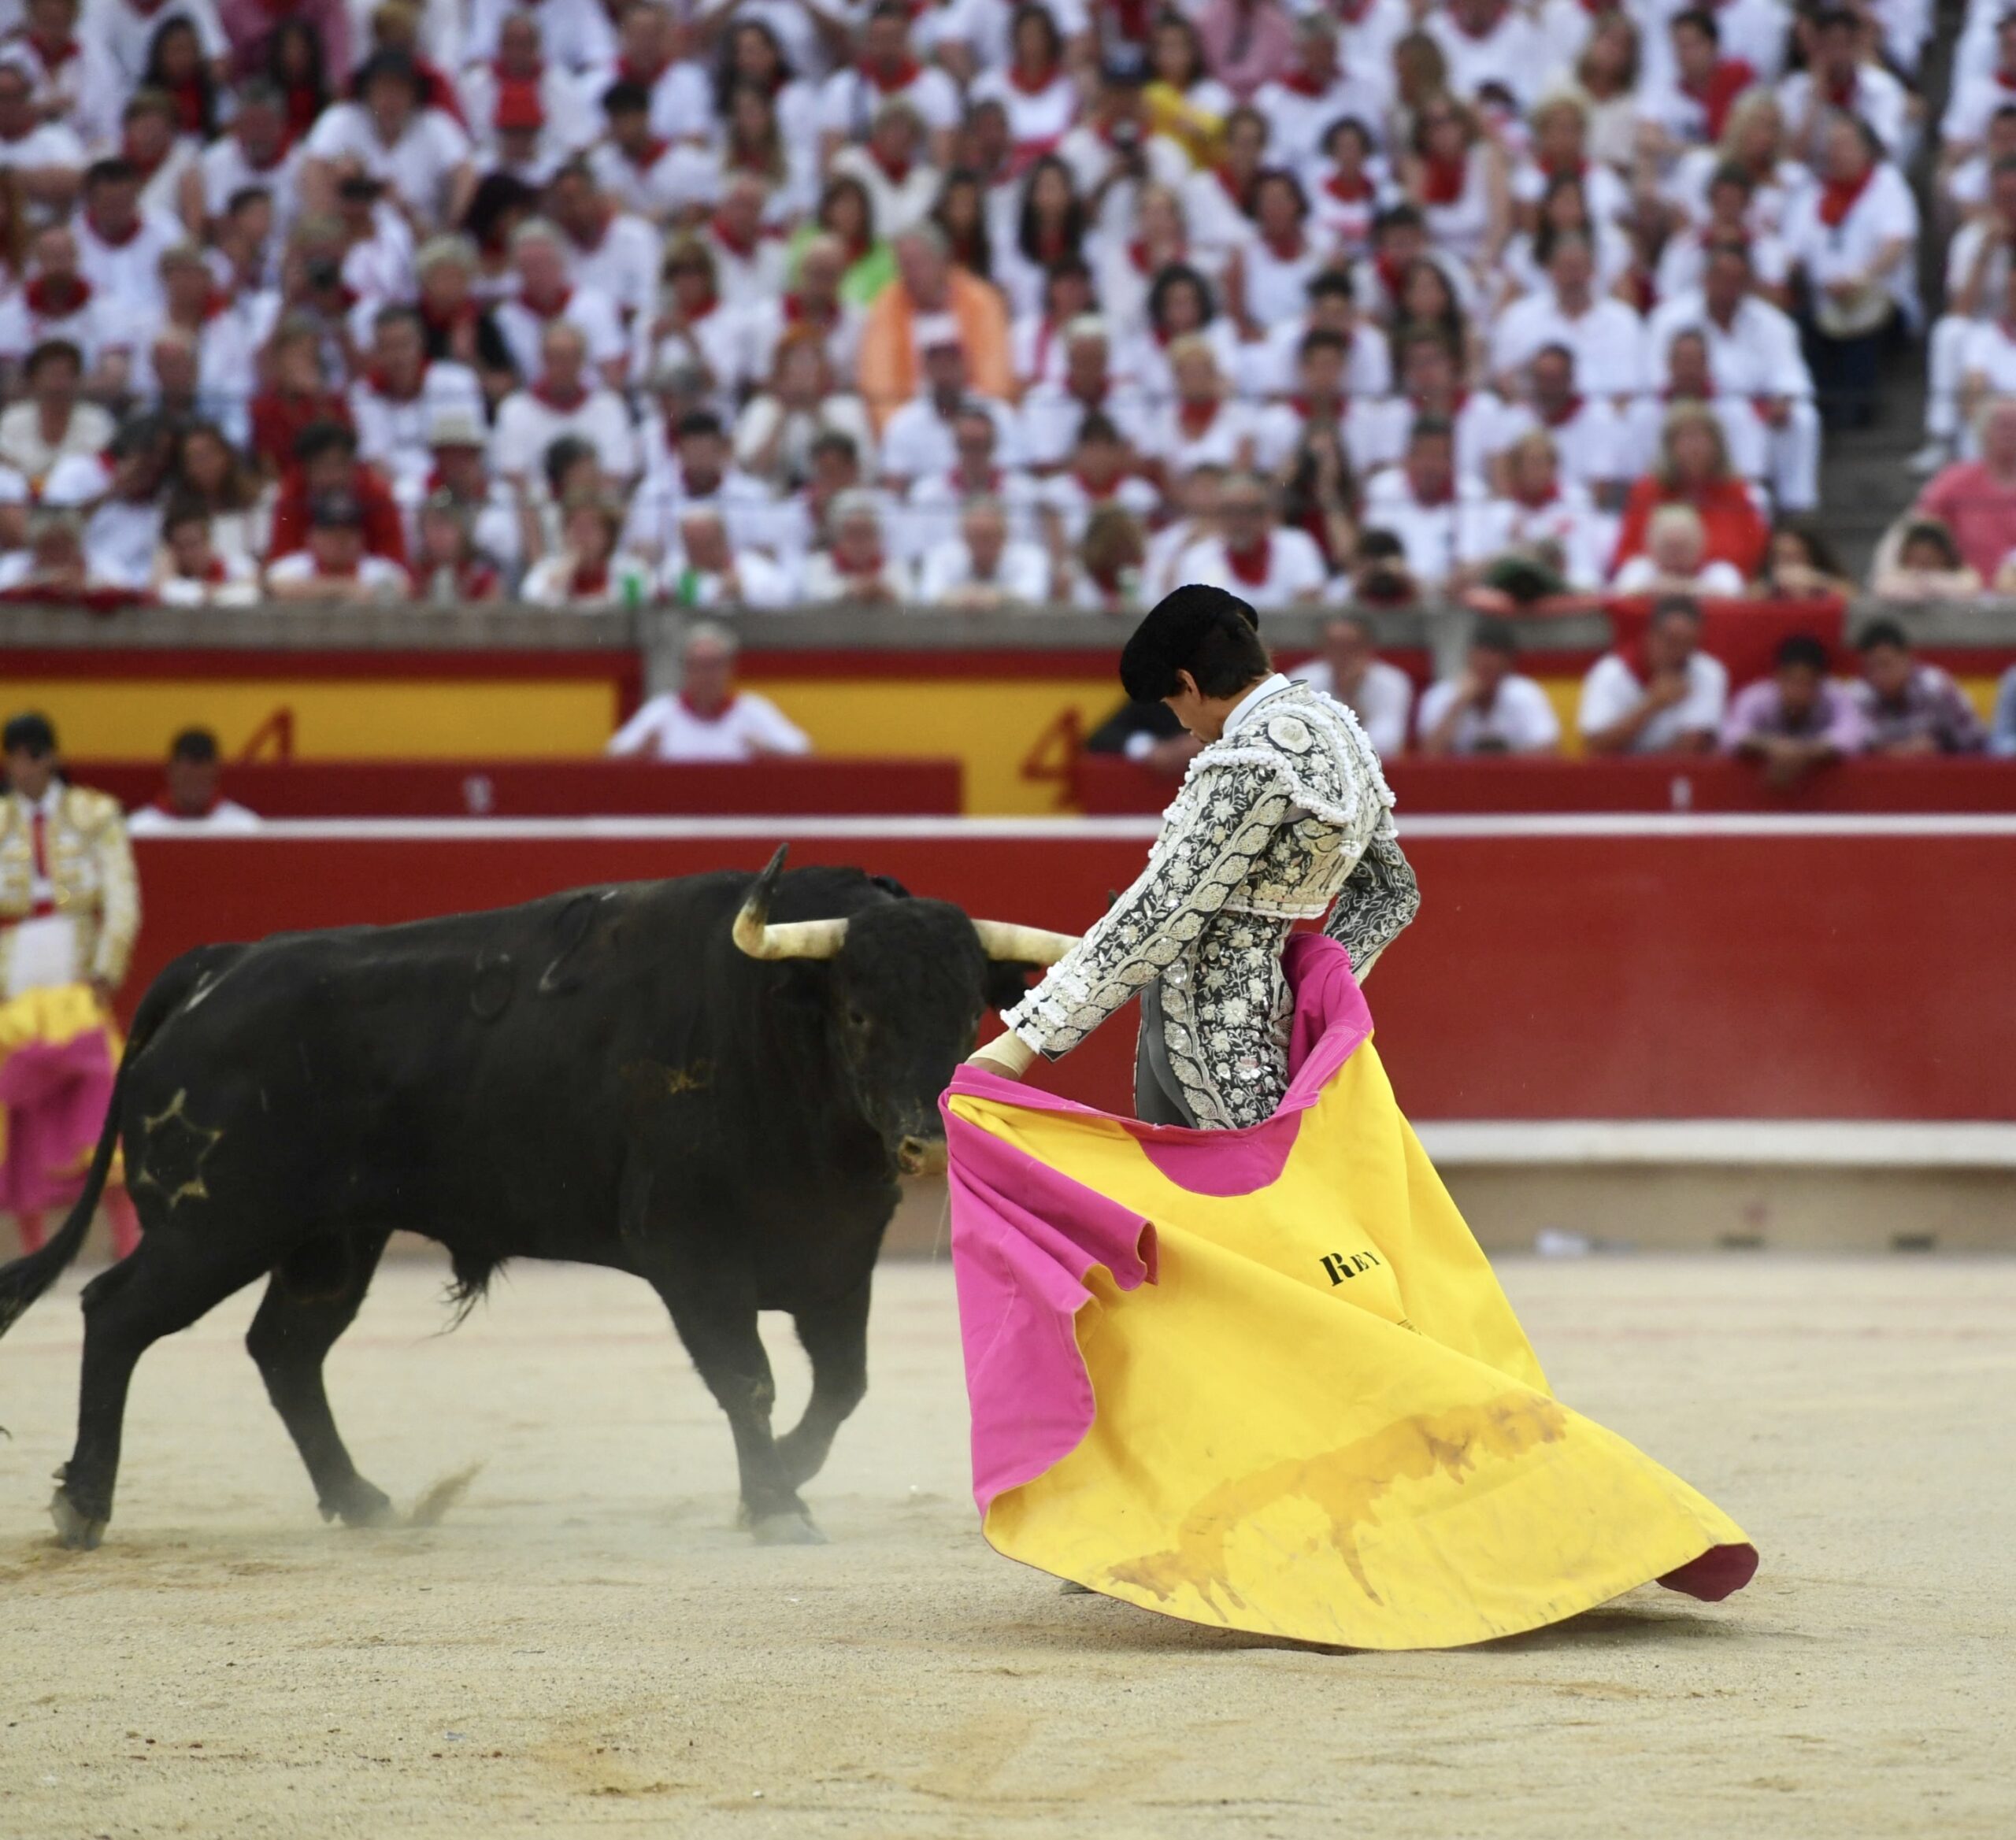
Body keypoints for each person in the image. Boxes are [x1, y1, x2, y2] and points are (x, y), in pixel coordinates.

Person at [965, 584, 1419, 1129]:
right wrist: (1310, 1000)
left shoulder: (1250, 757)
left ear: (1188, 683)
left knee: (1224, 1199)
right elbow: (1392, 892)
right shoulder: (1338, 729)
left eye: (1173, 702)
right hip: (1276, 1032)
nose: (1182, 723)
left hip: (1207, 1039)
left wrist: (1019, 1043)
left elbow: (1163, 912)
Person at [0, 712, 143, 1259]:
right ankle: (34, 1249)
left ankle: (126, 1241)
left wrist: (107, 969)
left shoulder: (95, 814)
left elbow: (122, 897)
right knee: (19, 1119)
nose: (21, 768)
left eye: (30, 756)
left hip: (76, 971)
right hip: (14, 977)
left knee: (98, 1105)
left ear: (49, 757)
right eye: (13, 757)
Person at [606, 623, 812, 763]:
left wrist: (770, 753)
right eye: (699, 665)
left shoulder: (753, 710)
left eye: (714, 665)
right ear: (686, 669)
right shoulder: (661, 711)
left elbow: (803, 754)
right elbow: (611, 758)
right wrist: (640, 753)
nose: (707, 675)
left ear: (729, 668)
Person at [1577, 597, 1729, 757]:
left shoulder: (1708, 673)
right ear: (1650, 635)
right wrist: (1652, 704)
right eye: (1671, 641)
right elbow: (1596, 746)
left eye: (1689, 643)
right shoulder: (1611, 673)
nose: (1680, 652)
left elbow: (1691, 748)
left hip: (1677, 777)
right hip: (1615, 777)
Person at [1721, 634, 1867, 787]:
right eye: (1790, 680)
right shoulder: (1755, 698)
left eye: (1806, 683)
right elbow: (1730, 735)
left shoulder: (1836, 696)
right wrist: (1772, 747)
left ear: (1820, 682)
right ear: (1777, 677)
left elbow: (1853, 735)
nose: (1796, 692)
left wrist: (1804, 753)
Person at [1416, 621, 1563, 757]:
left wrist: (1500, 761)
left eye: (1491, 668)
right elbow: (1429, 755)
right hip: (1456, 782)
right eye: (1481, 665)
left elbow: (1549, 751)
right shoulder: (1441, 695)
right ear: (1469, 658)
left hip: (1514, 781)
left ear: (1508, 665)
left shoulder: (1525, 693)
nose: (1485, 671)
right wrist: (1458, 705)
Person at [1914, 398, 2016, 581]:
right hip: (1964, 595)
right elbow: (1921, 529)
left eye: (2014, 424)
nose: (2010, 431)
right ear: (1983, 431)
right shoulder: (1953, 481)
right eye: (2002, 424)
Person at [1851, 621, 1989, 755]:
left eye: (1885, 664)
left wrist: (1940, 747)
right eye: (1870, 668)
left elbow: (1975, 741)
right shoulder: (1859, 696)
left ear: (1907, 658)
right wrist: (1894, 752)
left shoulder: (1937, 686)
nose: (1879, 675)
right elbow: (1853, 747)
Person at [1294, 613, 1414, 758]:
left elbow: (1388, 744)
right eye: (1334, 646)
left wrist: (1349, 696)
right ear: (1321, 647)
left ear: (1368, 647)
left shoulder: (1392, 682)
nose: (1342, 654)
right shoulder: (1300, 681)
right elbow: (1295, 738)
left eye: (1351, 646)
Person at [126, 729, 261, 834]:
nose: (194, 785)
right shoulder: (137, 829)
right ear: (170, 771)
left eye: (201, 779)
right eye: (188, 778)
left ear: (216, 773)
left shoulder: (245, 828)